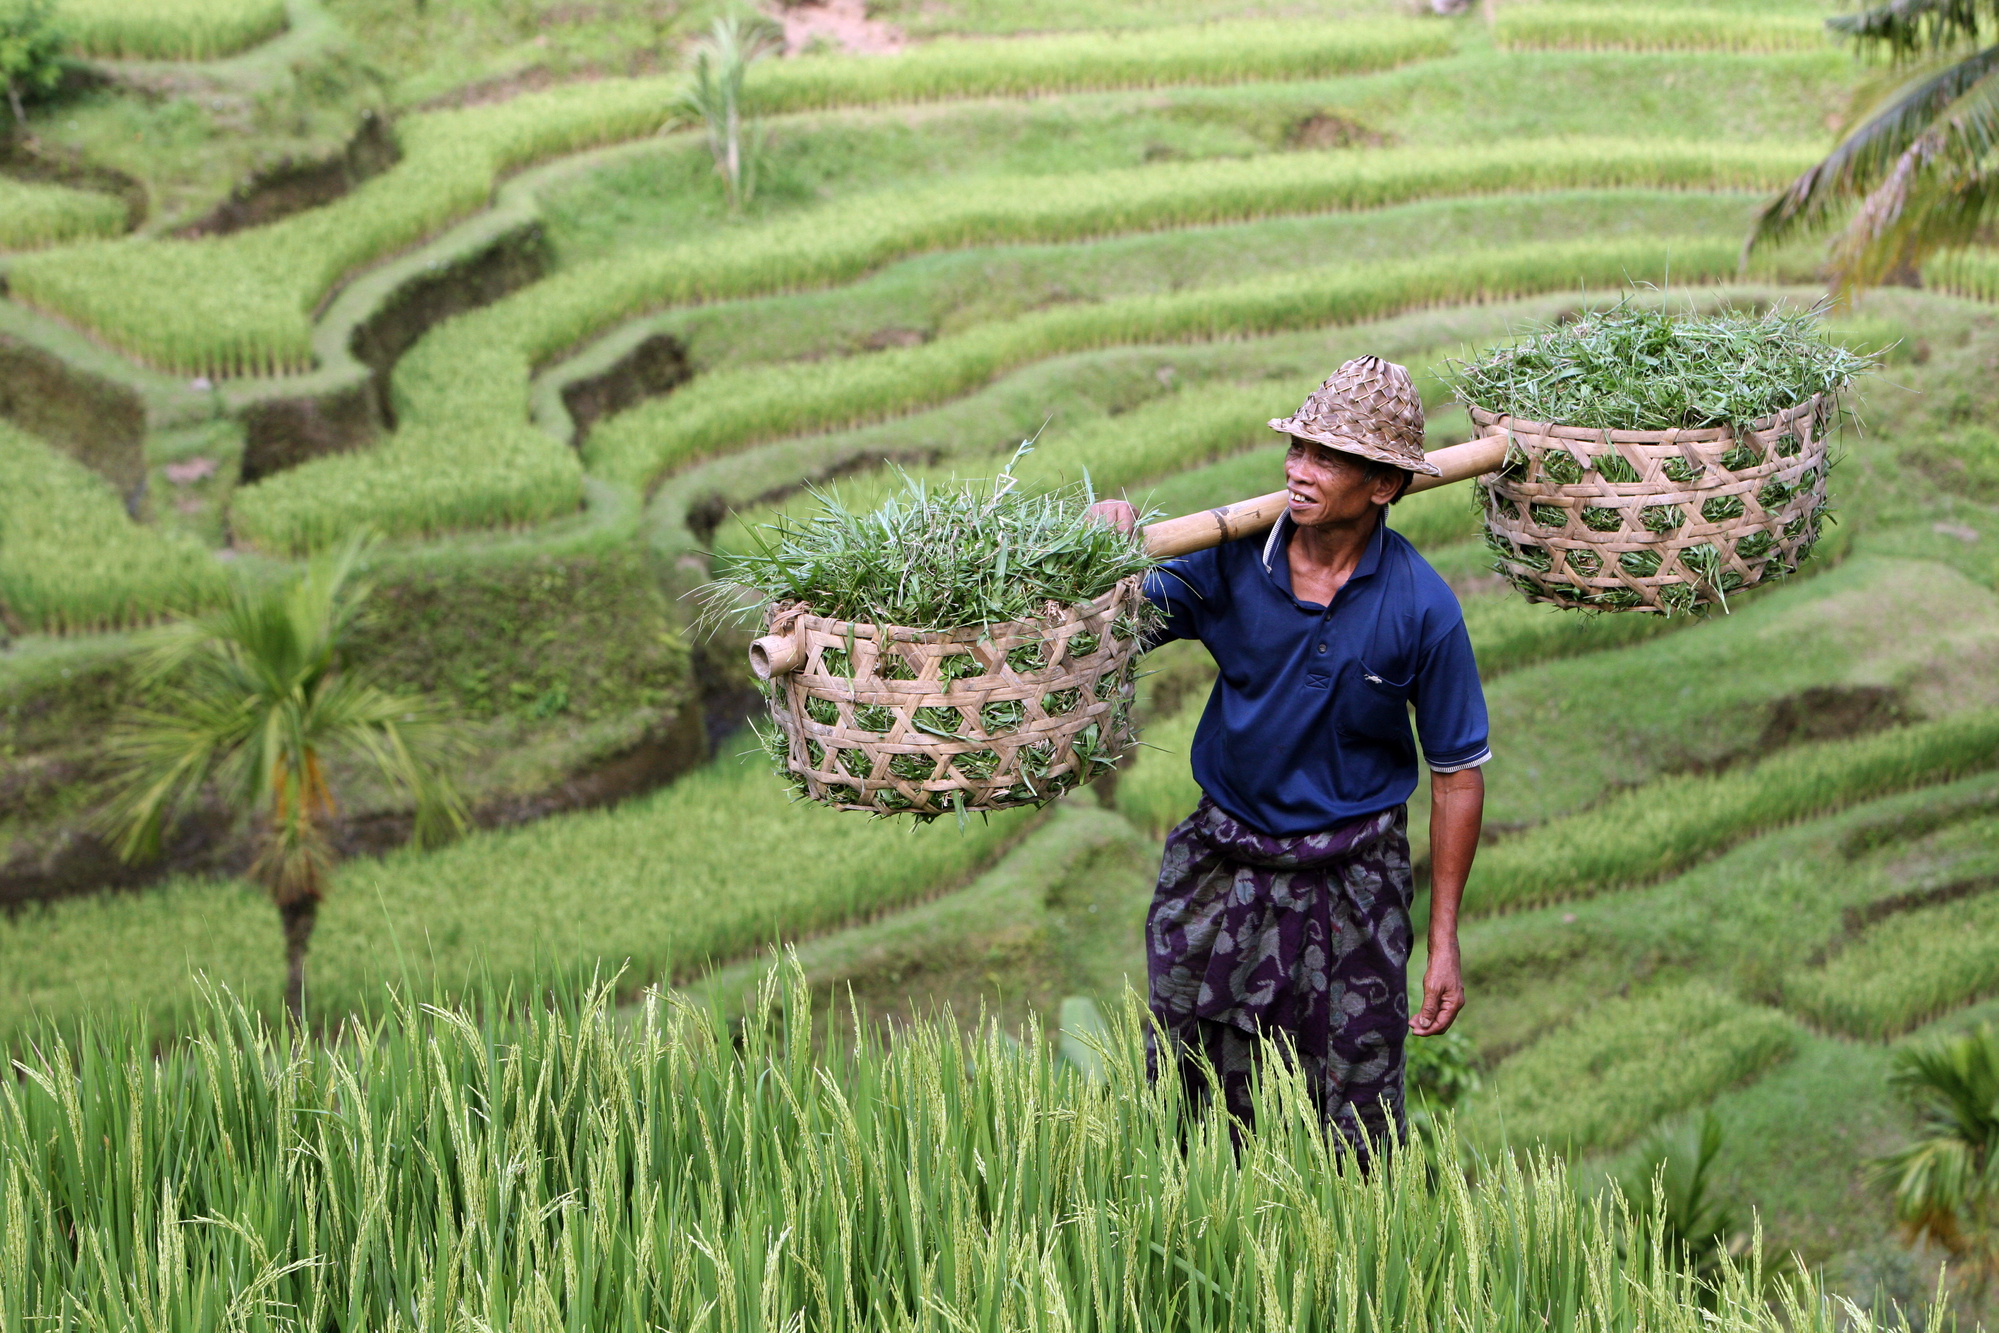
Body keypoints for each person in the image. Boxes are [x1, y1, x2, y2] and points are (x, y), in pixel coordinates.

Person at [1087, 355, 1488, 1154]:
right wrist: (1106, 545)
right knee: (1183, 1105)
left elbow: (1456, 775)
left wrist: (1441, 938)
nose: (1298, 471)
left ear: (1382, 486)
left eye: (1327, 458)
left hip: (1354, 883)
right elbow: (1114, 623)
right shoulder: (1229, 559)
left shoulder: (1421, 608)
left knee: (1355, 1130)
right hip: (1220, 862)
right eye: (1298, 448)